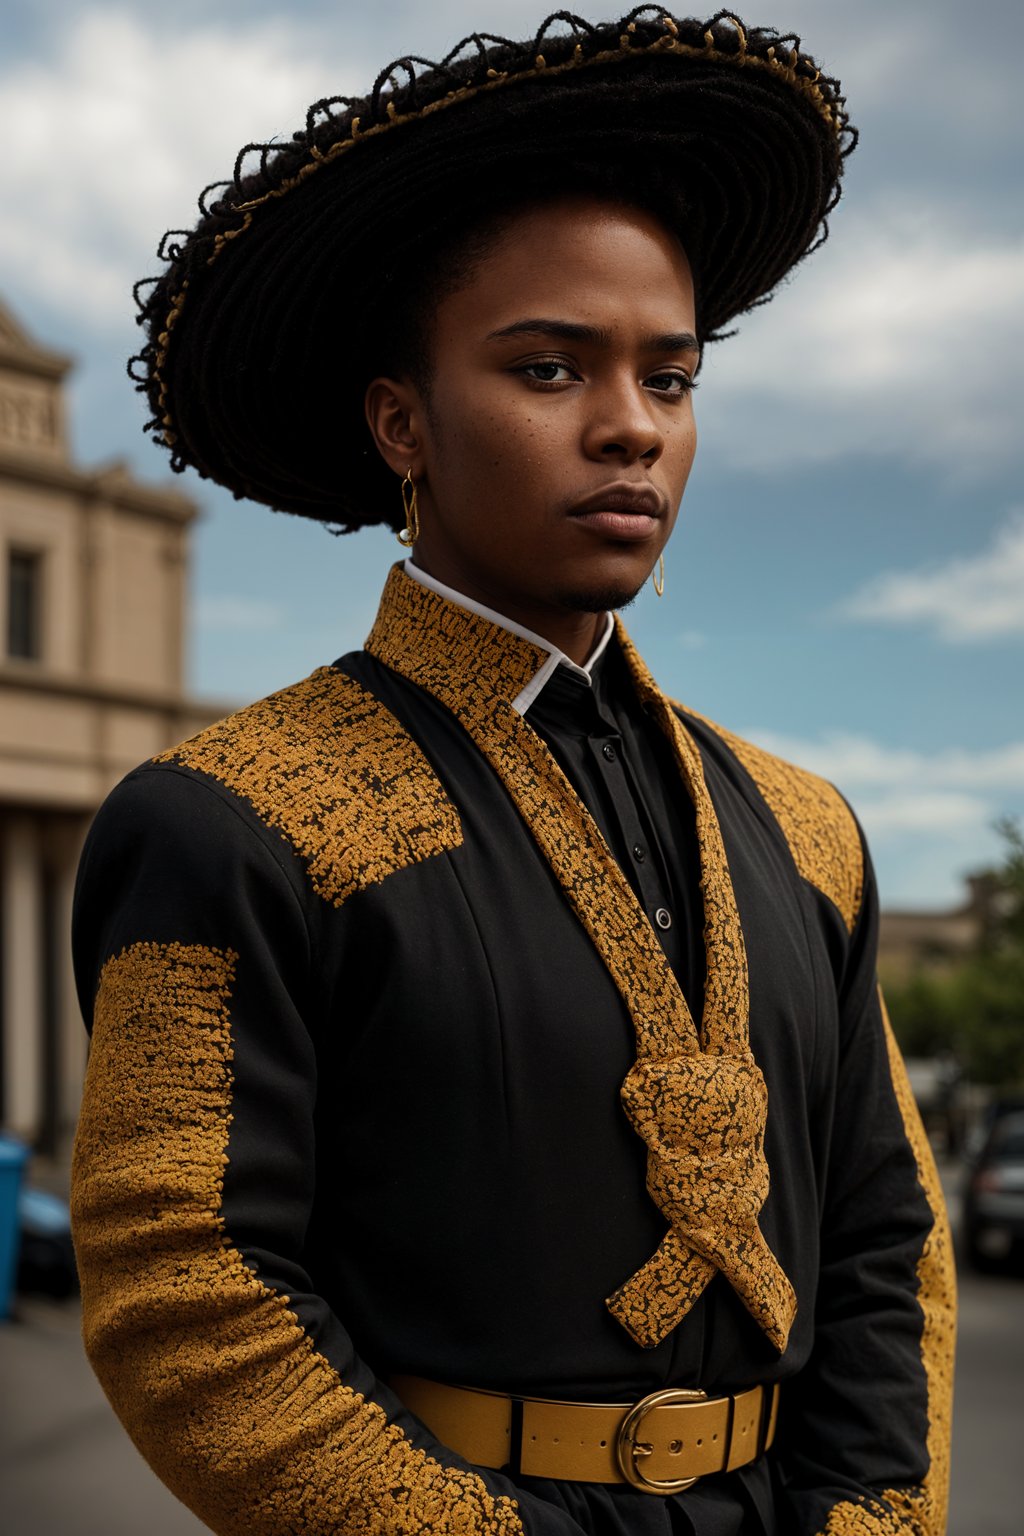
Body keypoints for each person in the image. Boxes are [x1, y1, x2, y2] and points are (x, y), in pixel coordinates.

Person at [69, 12, 956, 1536]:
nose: (629, 428)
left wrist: (866, 1519)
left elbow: (889, 1235)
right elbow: (189, 1297)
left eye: (669, 380)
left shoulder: (810, 831)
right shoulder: (231, 819)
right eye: (550, 369)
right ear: (402, 421)